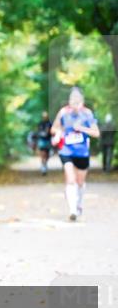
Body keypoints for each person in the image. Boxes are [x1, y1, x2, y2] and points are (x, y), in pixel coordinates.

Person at [51, 87, 101, 221]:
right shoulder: (63, 112)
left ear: (82, 102)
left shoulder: (87, 113)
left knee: (80, 182)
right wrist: (58, 134)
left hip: (82, 152)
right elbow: (54, 128)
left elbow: (96, 133)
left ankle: (78, 204)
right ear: (69, 102)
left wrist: (82, 128)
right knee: (71, 179)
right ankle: (72, 210)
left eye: (78, 103)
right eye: (73, 102)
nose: (75, 106)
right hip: (67, 150)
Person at [34, 111, 53, 175]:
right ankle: (43, 167)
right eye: (43, 116)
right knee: (43, 154)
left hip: (48, 140)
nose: (45, 117)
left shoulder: (50, 124)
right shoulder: (40, 124)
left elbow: (52, 132)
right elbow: (37, 132)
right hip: (42, 141)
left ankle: (45, 164)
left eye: (46, 116)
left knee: (47, 155)